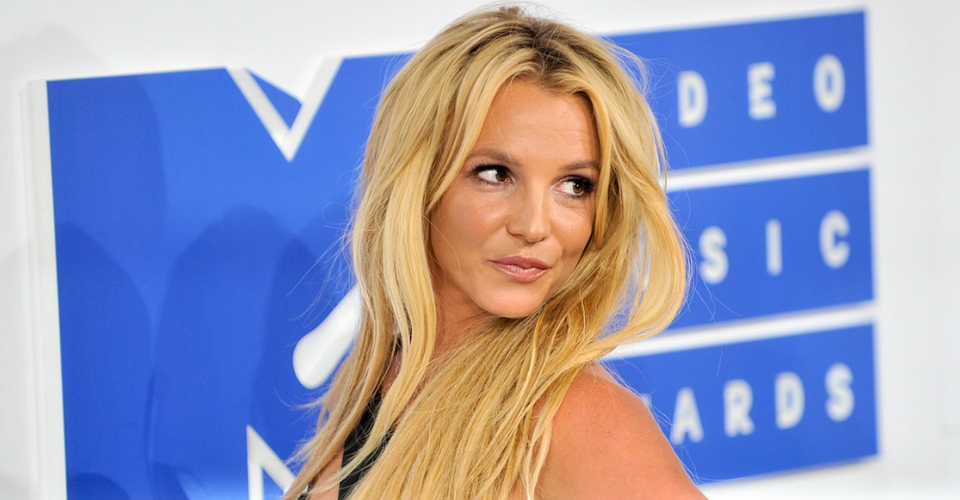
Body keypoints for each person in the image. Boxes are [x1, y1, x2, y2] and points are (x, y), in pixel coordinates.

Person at [283, 5, 706, 500]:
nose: (533, 226)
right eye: (495, 174)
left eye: (575, 185)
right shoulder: (385, 377)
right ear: (417, 183)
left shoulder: (577, 418)